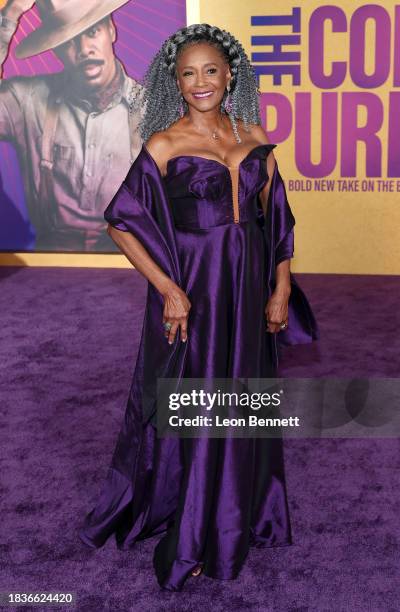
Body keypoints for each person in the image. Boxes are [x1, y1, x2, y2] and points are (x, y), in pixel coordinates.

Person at [79, 23, 319, 591]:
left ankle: (247, 515)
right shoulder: (163, 144)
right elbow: (121, 224)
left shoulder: (256, 135)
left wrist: (281, 287)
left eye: (210, 70)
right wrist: (169, 288)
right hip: (199, 291)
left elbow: (277, 221)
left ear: (230, 73)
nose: (200, 82)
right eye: (188, 74)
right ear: (177, 82)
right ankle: (197, 532)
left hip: (251, 286)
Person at [0, 0, 143, 251]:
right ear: (55, 49)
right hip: (50, 267)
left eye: (92, 32)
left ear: (111, 29)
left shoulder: (152, 110)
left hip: (129, 265)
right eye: (69, 40)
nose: (84, 49)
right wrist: (8, 17)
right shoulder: (26, 101)